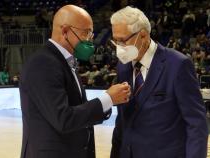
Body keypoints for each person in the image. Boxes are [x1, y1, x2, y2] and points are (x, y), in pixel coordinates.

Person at [19, 5, 131, 158]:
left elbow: (77, 109)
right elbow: (63, 119)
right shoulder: (43, 63)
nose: (90, 40)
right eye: (86, 33)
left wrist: (107, 101)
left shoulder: (65, 61)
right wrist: (108, 99)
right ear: (65, 31)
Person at [110, 6, 208, 158]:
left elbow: (196, 123)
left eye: (122, 40)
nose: (118, 47)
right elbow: (122, 119)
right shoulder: (123, 66)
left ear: (142, 36)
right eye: (115, 41)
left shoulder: (178, 65)